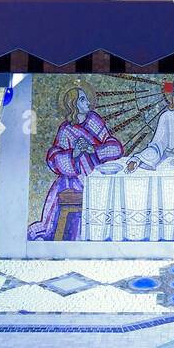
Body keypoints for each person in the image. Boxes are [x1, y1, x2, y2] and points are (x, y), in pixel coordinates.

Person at [27, 86, 123, 240]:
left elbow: (115, 148)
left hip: (98, 174)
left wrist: (93, 149)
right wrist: (75, 153)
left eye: (87, 98)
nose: (88, 103)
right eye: (82, 99)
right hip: (75, 180)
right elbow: (54, 159)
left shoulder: (94, 121)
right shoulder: (66, 130)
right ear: (74, 104)